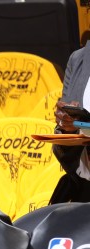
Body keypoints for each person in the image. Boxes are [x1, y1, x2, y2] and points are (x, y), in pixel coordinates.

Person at [50, 44, 90, 203]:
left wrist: (83, 126)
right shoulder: (78, 58)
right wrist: (67, 128)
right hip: (84, 192)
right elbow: (62, 150)